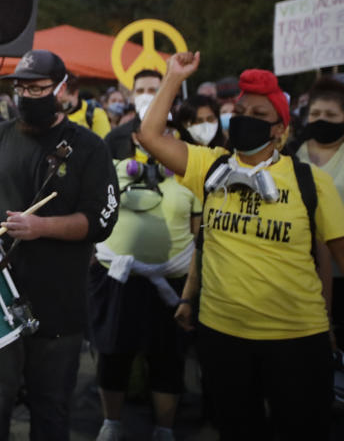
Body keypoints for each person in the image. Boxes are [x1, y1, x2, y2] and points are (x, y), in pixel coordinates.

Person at [138, 52, 344, 440]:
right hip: (222, 338)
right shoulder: (211, 166)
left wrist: (332, 322)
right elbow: (150, 136)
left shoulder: (310, 181)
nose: (245, 118)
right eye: (240, 110)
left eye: (259, 114)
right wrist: (172, 77)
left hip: (296, 342)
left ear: (280, 130)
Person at [0, 49, 119, 441]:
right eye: (21, 88)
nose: (27, 96)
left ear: (62, 90)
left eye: (38, 88)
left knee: (50, 411)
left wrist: (41, 226)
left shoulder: (88, 146)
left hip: (58, 304)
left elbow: (100, 220)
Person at [89, 150, 198, 441]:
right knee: (113, 354)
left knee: (167, 358)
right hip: (118, 280)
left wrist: (190, 292)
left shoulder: (190, 179)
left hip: (171, 284)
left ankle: (164, 429)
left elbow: (199, 237)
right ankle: (111, 423)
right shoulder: (115, 169)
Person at [295, 76, 344, 344]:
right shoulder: (291, 153)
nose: (322, 119)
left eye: (330, 114)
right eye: (316, 113)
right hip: (300, 274)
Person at [105, 69, 163, 160]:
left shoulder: (177, 134)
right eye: (140, 91)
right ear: (132, 96)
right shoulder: (114, 138)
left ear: (164, 94)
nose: (145, 96)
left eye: (152, 90)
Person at [57, 72, 110, 138]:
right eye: (57, 100)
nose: (61, 105)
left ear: (75, 93)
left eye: (64, 101)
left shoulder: (94, 114)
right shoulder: (54, 114)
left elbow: (104, 143)